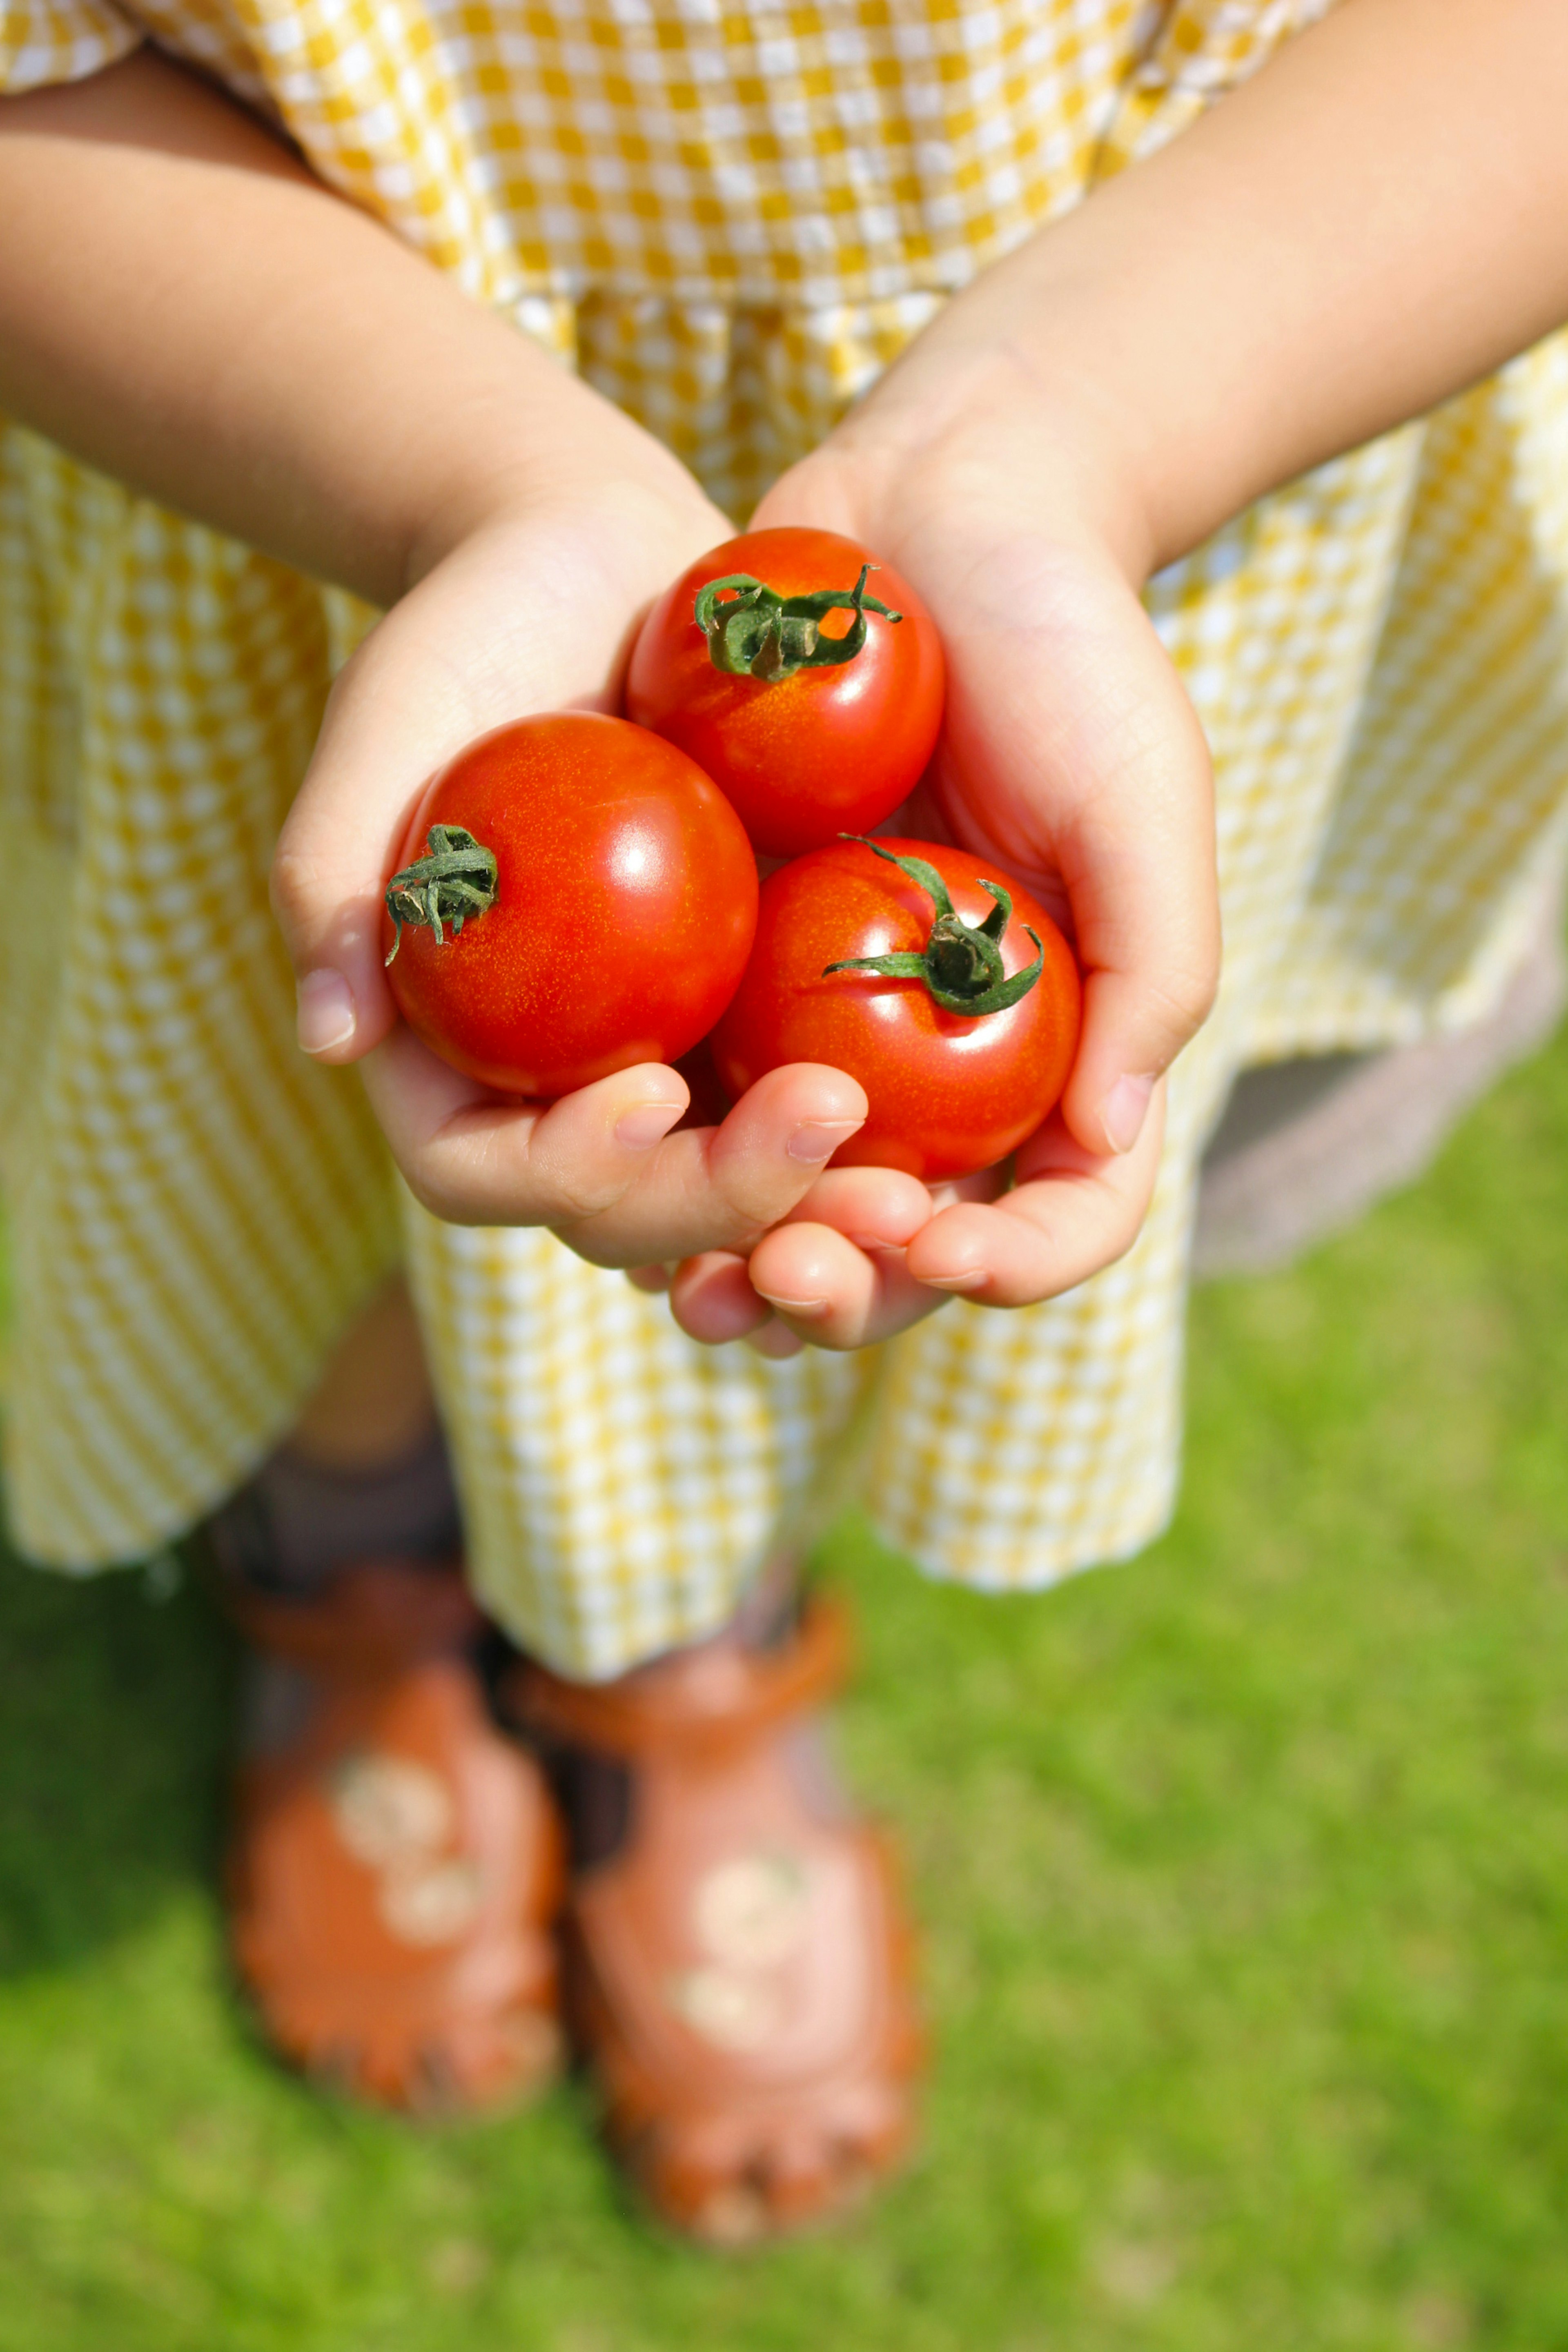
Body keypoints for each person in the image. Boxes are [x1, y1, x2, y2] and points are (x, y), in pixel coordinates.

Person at [3, 0, 1567, 2247]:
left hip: (1207, 356)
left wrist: (1077, 425)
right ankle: (355, 1565)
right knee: (311, 1122)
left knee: (800, 1223)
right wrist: (477, 477)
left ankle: (677, 1631)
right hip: (253, 394)